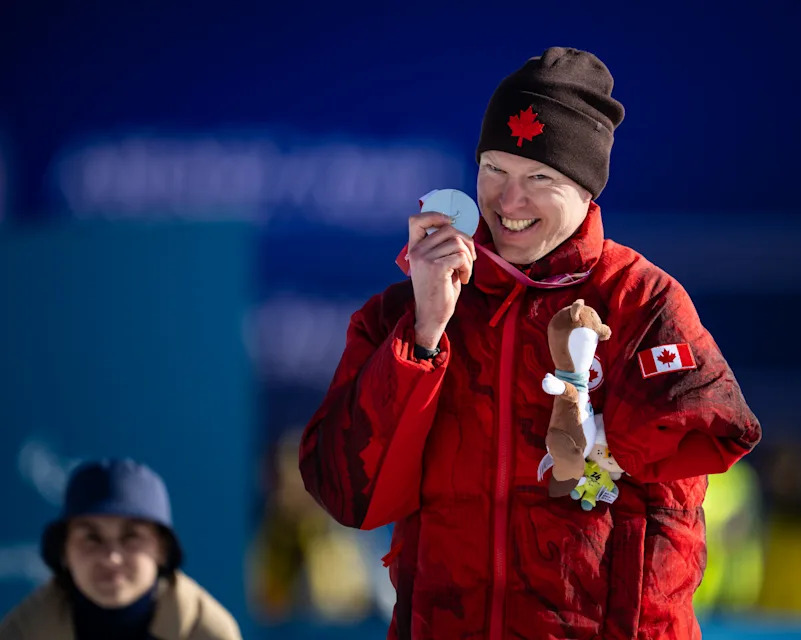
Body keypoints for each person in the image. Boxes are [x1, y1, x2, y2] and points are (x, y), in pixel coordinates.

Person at [299, 46, 761, 640]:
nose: (509, 203)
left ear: (587, 188)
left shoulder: (641, 303)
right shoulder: (406, 310)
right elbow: (348, 495)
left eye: (539, 177)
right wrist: (423, 333)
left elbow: (709, 429)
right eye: (495, 169)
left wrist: (576, 391)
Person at [0, 458, 242, 640]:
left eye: (131, 537)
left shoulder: (208, 633)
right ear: (64, 552)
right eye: (91, 538)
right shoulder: (22, 633)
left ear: (162, 550)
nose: (111, 557)